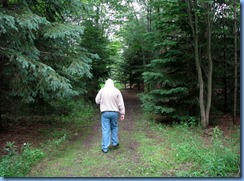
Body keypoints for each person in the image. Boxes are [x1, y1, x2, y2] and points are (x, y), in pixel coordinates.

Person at [95, 78, 125, 153]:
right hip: (114, 112)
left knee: (106, 129)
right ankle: (115, 143)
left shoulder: (102, 90)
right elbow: (120, 103)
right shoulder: (116, 90)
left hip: (105, 113)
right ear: (113, 84)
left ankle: (105, 148)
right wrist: (122, 113)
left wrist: (102, 101)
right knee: (114, 127)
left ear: (106, 83)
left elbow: (97, 101)